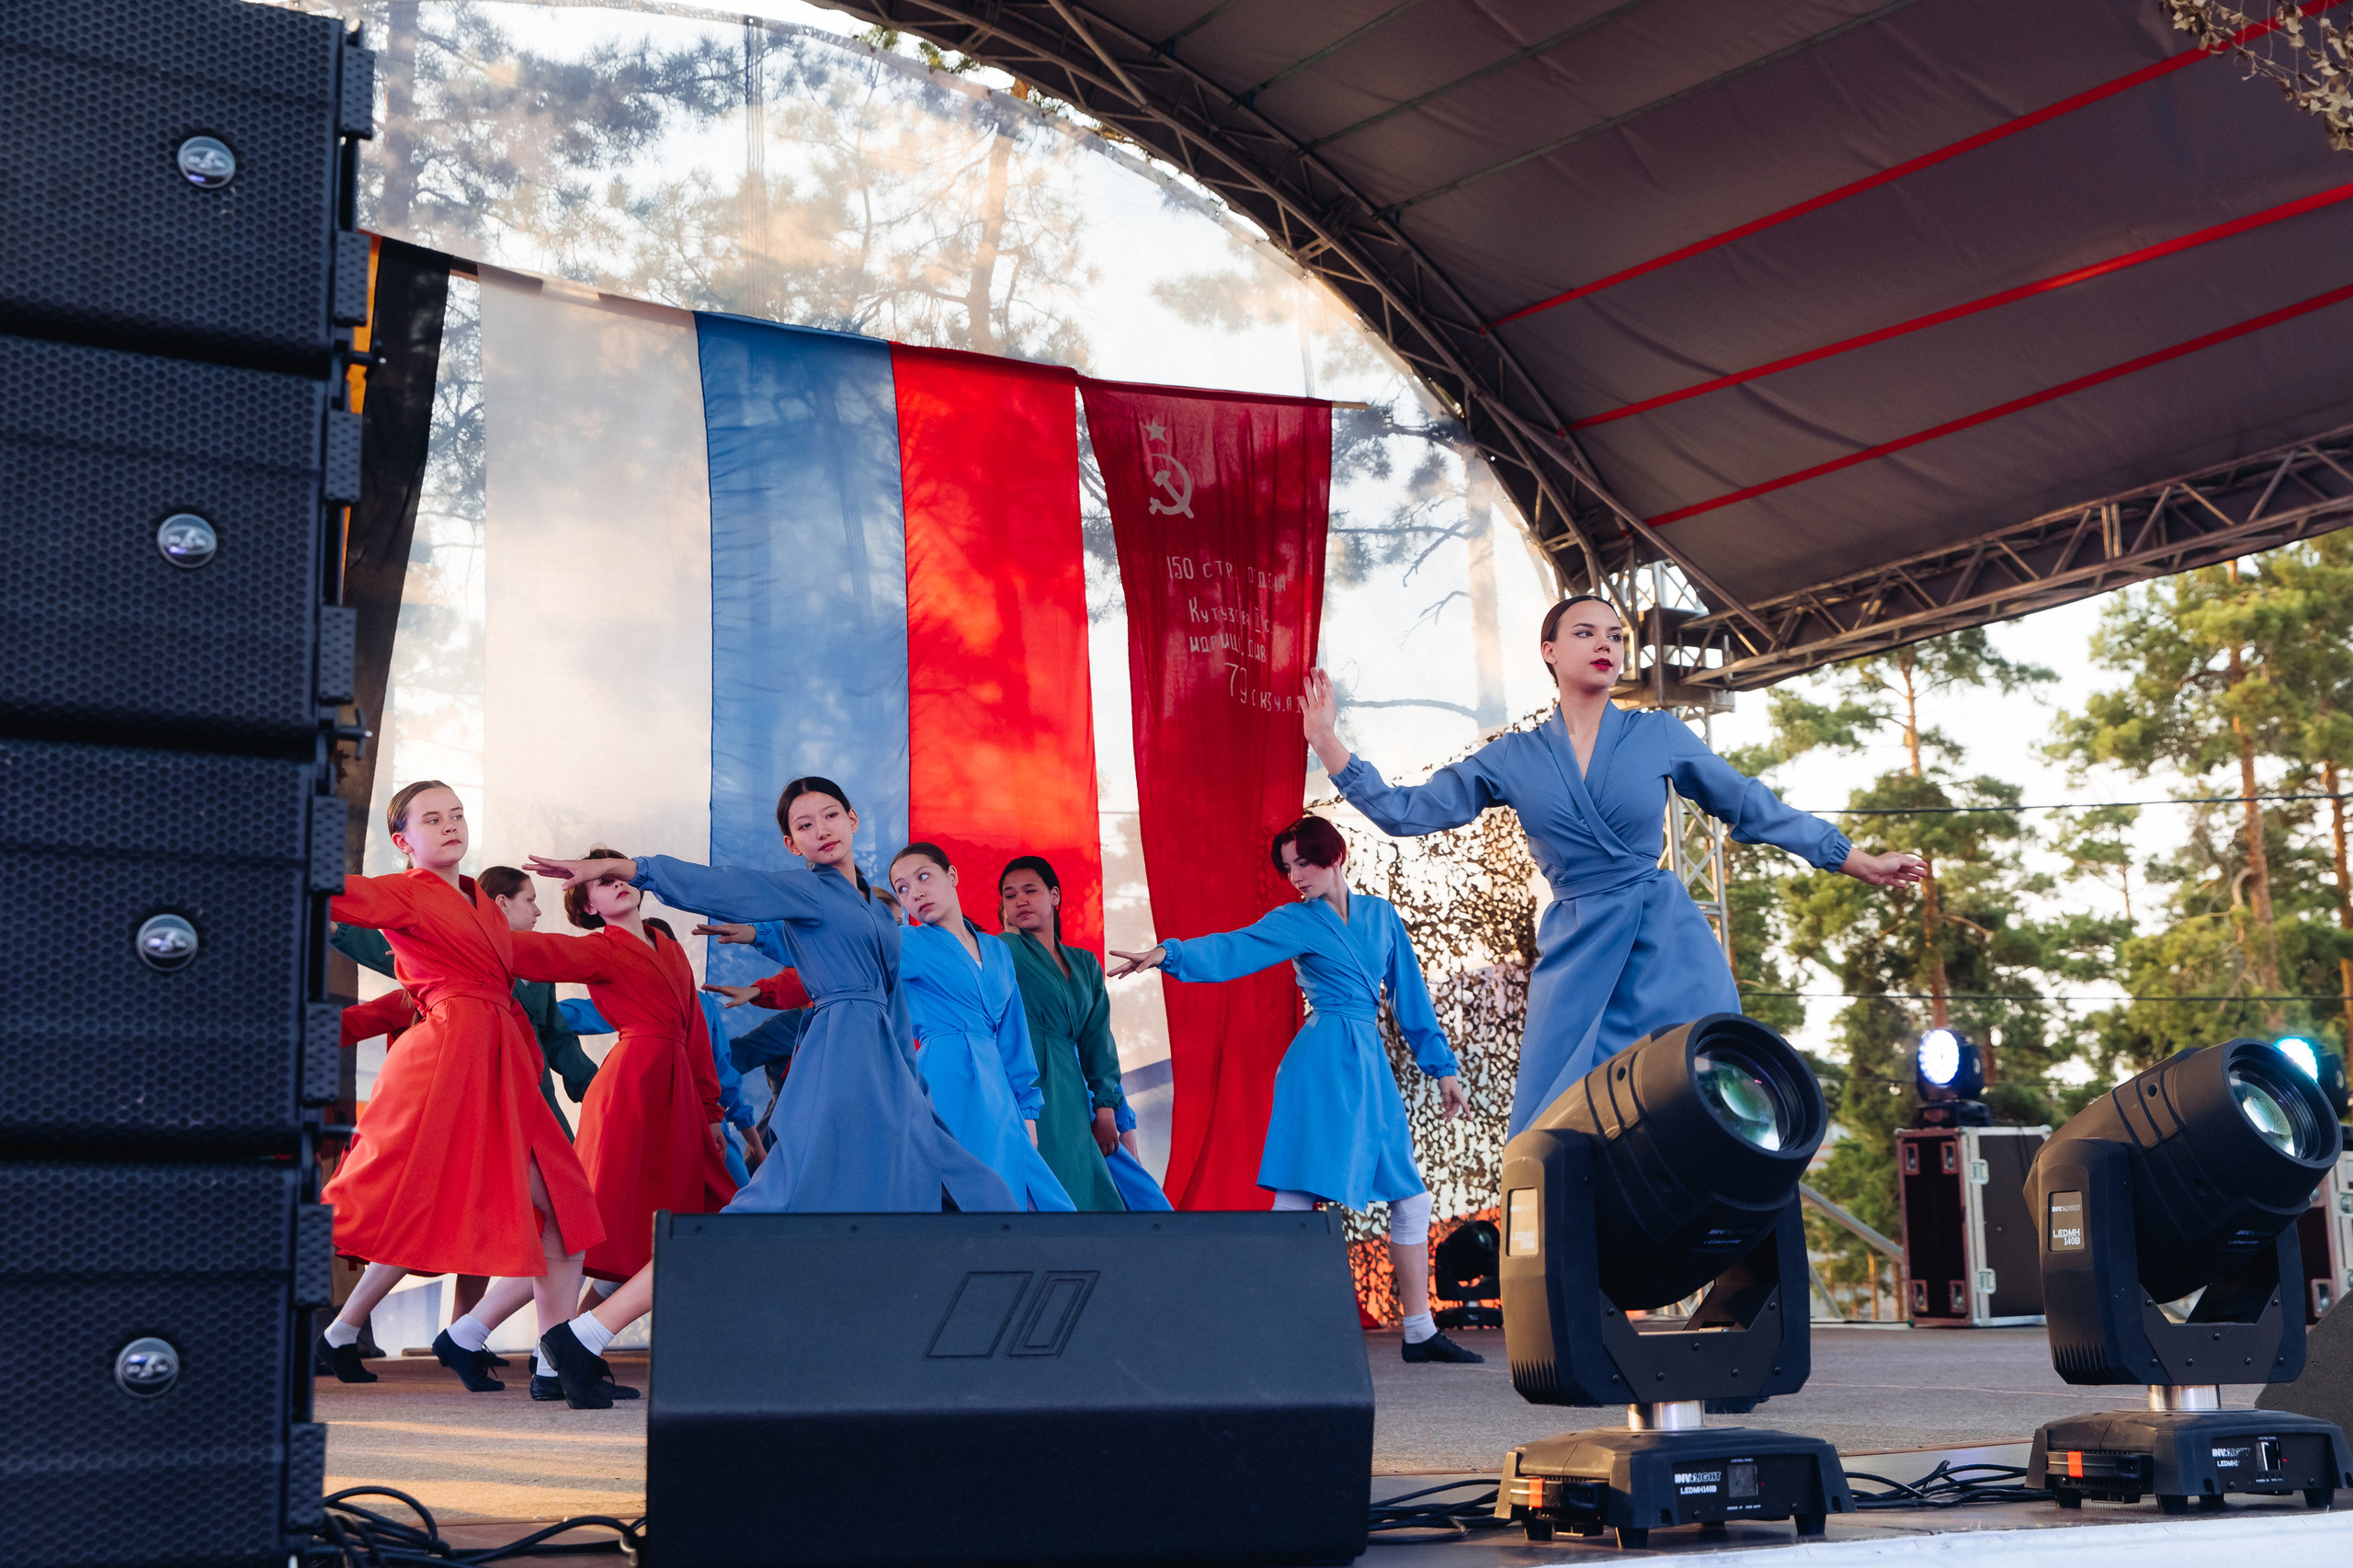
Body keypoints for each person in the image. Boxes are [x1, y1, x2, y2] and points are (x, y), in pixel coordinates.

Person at [1308, 595, 1926, 1134]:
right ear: (1548, 650)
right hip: (1576, 950)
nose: (1606, 644)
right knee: (1546, 1129)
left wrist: (1856, 860)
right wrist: (1329, 744)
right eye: (1586, 633)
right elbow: (1406, 812)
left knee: (1714, 1102)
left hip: (1667, 943)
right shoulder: (1513, 758)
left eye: (1617, 636)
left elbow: (1749, 804)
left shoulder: (1658, 734)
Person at [521, 778, 1018, 1404]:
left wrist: (912, 1086)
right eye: (805, 826)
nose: (822, 830)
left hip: (889, 1072)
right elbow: (725, 886)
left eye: (830, 815)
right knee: (763, 1215)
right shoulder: (802, 887)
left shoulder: (876, 905)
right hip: (840, 1068)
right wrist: (635, 869)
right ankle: (587, 1332)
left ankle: (946, 1353)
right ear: (792, 843)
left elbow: (866, 973)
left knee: (976, 1190)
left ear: (854, 818)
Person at [1108, 814, 1481, 1363]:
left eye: (1304, 862)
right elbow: (1235, 947)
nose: (1296, 876)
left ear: (1335, 856)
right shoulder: (1294, 920)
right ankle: (1272, 1322)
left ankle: (1418, 1330)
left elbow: (1411, 999)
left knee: (1412, 1197)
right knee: (1299, 1193)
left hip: (1367, 1065)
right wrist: (1169, 954)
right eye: (1288, 868)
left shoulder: (1382, 917)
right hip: (1321, 1062)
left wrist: (1443, 1069)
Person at [312, 783, 607, 1397]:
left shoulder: (479, 902)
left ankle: (555, 1363)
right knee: (394, 1184)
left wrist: (614, 946)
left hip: (503, 1062)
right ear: (403, 841)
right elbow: (333, 893)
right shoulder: (403, 892)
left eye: (457, 815)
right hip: (450, 1059)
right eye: (432, 819)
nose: (450, 825)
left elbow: (536, 956)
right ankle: (329, 1315)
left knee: (565, 1203)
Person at [888, 844, 1074, 1211]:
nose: (916, 893)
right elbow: (844, 947)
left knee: (1044, 1204)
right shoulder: (906, 942)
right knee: (967, 1197)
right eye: (903, 889)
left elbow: (1013, 1034)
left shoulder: (998, 949)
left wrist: (1028, 1111)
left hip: (999, 1088)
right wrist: (760, 935)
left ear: (952, 876)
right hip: (945, 1077)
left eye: (923, 877)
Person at [997, 854, 1166, 1211]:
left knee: (1091, 1192)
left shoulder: (1086, 962)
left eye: (1030, 890)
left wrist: (1105, 1110)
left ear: (1055, 896)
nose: (1020, 901)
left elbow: (1098, 1040)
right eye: (1009, 896)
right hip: (1027, 1082)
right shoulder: (1002, 950)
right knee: (1048, 1188)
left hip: (1073, 1089)